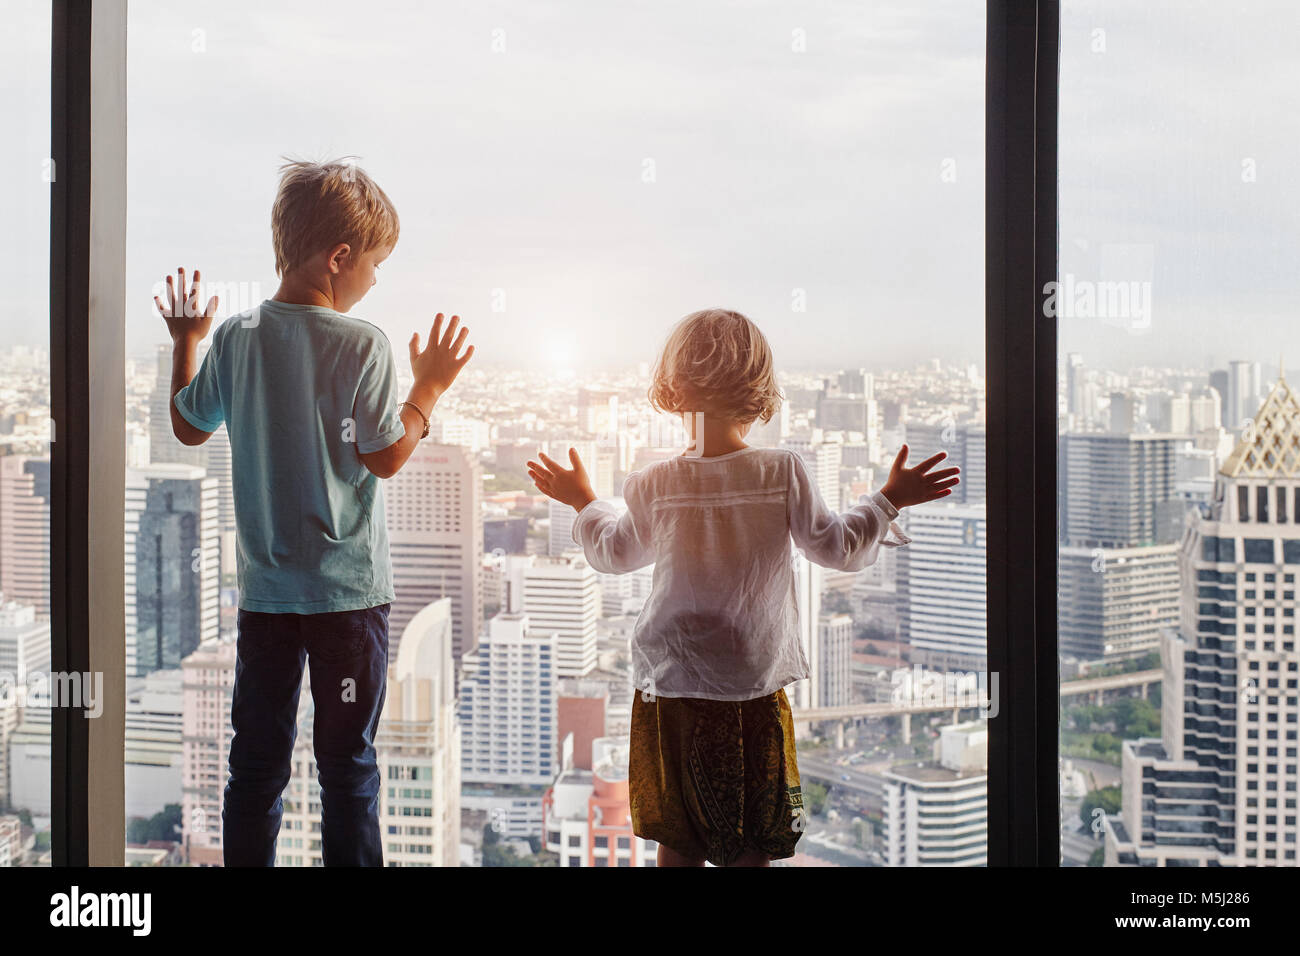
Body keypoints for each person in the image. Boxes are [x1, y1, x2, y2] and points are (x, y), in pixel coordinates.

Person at [527, 308, 958, 867]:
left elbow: (613, 552)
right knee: (753, 843)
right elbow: (838, 547)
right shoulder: (781, 471)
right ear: (757, 390)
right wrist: (887, 498)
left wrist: (584, 500)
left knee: (677, 841)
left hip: (671, 686)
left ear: (674, 388)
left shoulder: (654, 483)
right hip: (750, 687)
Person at [155, 158, 474, 866]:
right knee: (348, 769)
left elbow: (187, 424)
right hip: (345, 600)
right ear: (340, 258)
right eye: (375, 264)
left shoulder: (235, 339)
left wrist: (186, 341)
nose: (374, 279)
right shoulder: (362, 344)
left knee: (257, 763)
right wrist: (429, 389)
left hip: (266, 599)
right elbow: (387, 455)